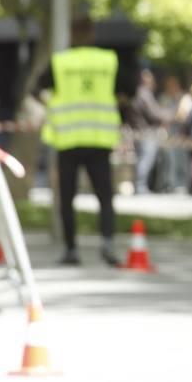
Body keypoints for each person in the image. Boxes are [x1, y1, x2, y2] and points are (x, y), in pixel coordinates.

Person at [40, 21, 123, 266]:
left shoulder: (61, 62)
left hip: (68, 139)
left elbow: (38, 90)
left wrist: (52, 104)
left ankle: (71, 249)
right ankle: (107, 243)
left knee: (67, 198)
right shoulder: (107, 61)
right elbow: (128, 89)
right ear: (92, 34)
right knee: (105, 196)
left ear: (72, 34)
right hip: (99, 138)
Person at [126, 69, 171, 196]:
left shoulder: (138, 93)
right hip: (146, 133)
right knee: (145, 160)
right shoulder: (144, 94)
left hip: (141, 132)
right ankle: (140, 186)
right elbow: (154, 113)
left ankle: (141, 186)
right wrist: (172, 114)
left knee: (143, 159)